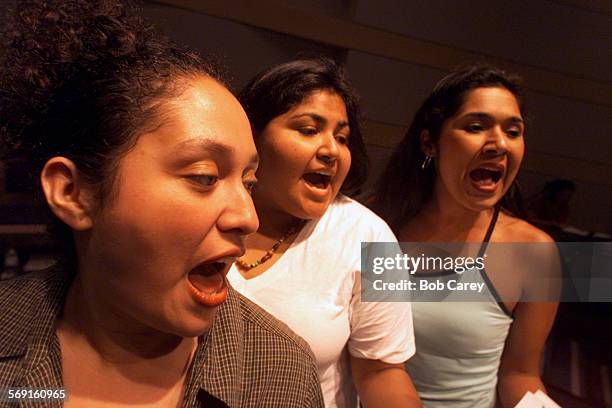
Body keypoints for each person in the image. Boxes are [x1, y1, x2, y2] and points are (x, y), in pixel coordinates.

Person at [0, 1, 324, 407]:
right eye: (204, 177)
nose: (247, 218)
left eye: (249, 183)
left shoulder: (281, 371)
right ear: (72, 193)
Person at [227, 58, 420, 408]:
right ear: (252, 136)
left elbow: (381, 372)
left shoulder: (369, 237)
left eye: (342, 137)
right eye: (308, 129)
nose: (331, 150)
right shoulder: (208, 211)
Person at [370, 65, 560, 407]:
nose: (499, 144)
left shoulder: (534, 252)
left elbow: (520, 375)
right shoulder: (374, 222)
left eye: (513, 131)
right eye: (476, 127)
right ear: (430, 142)